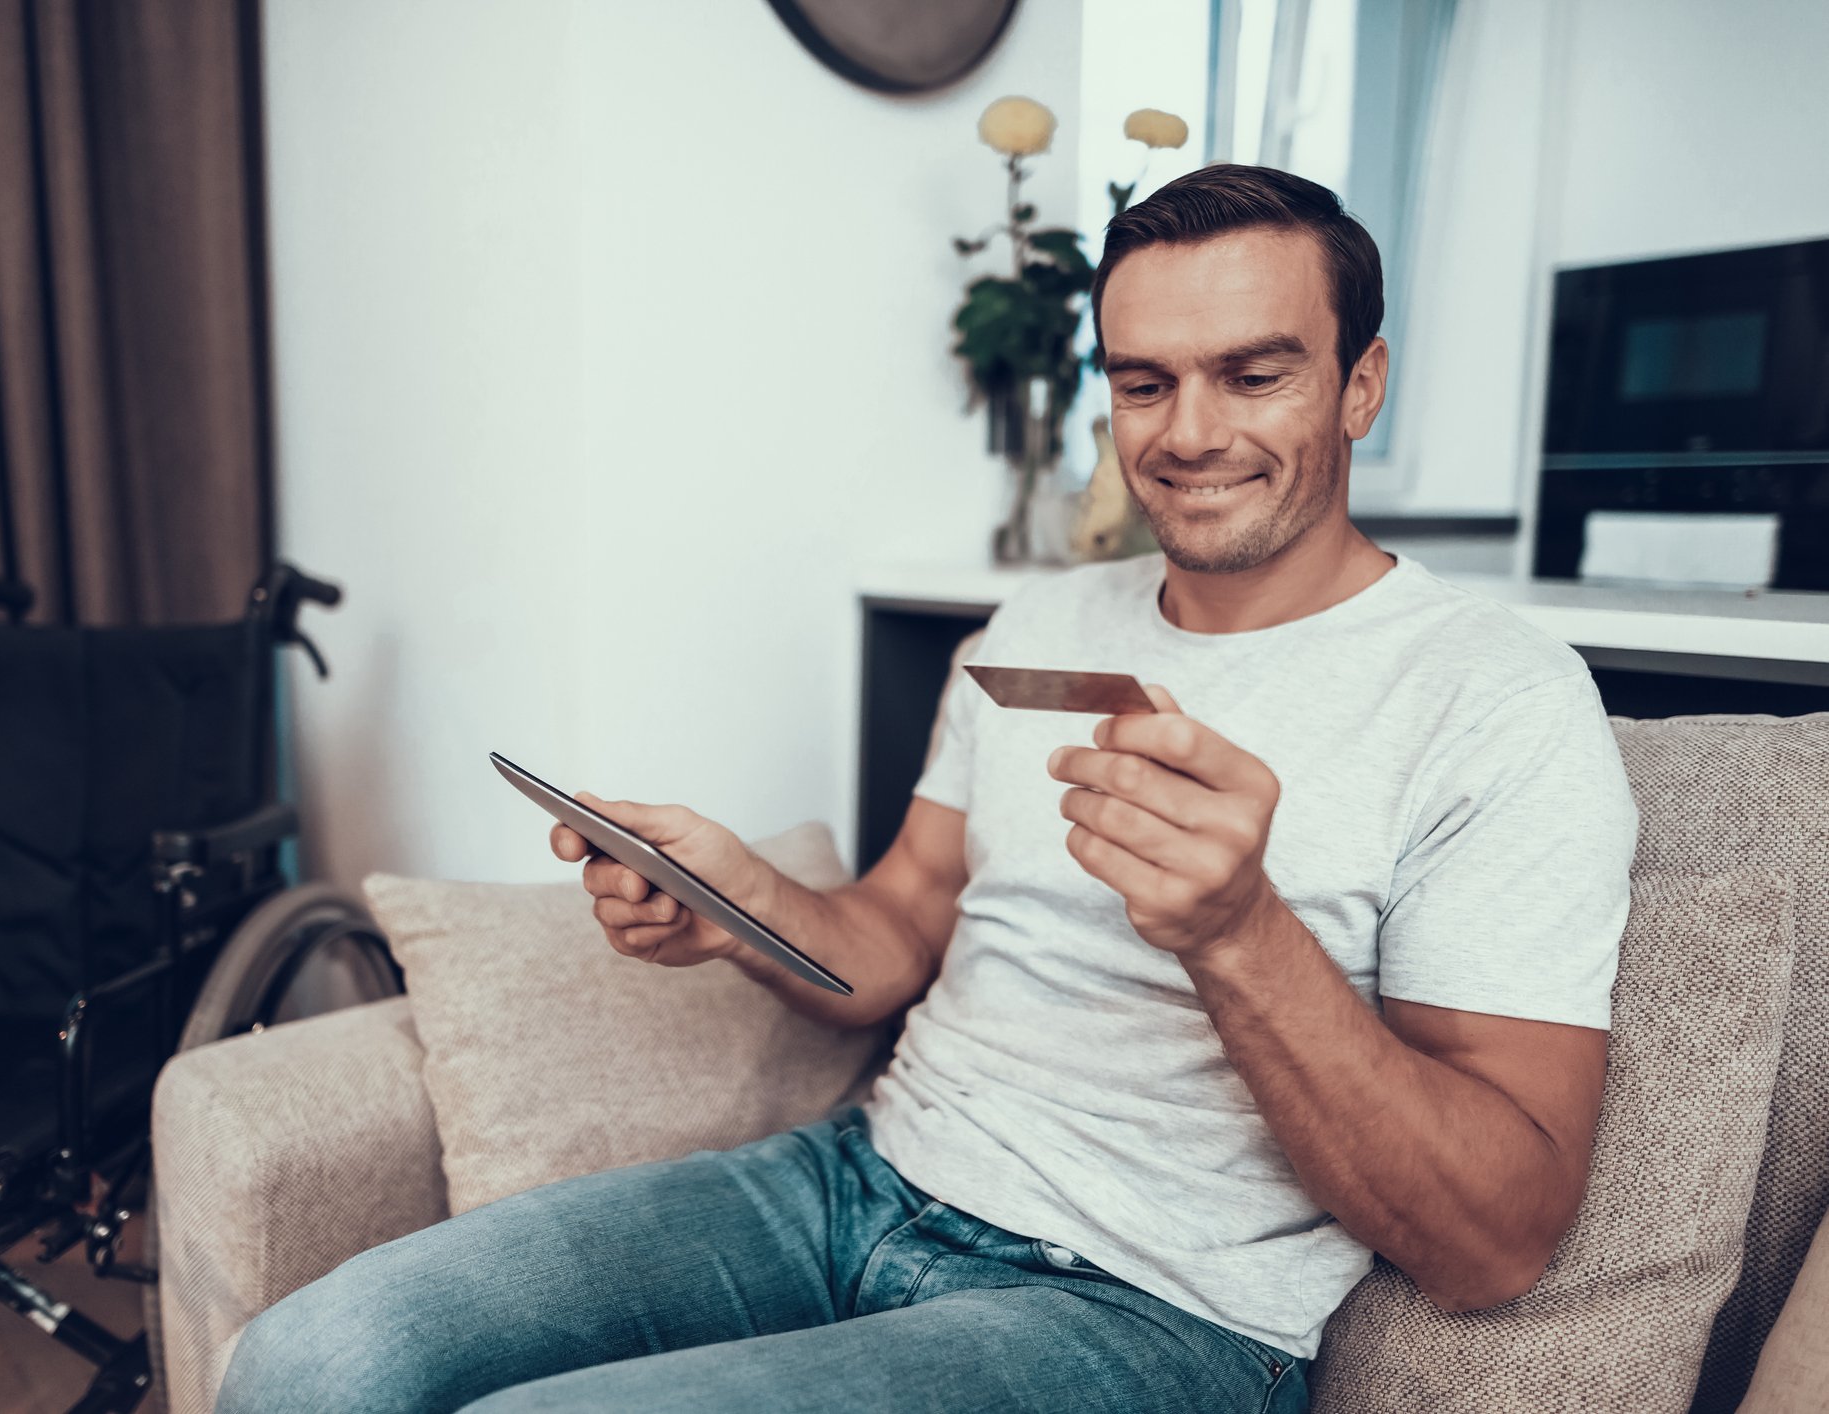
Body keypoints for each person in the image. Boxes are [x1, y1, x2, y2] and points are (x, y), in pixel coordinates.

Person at [215, 163, 1638, 1413]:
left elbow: (1497, 1234)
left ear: (1361, 384)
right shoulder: (1040, 630)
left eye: (1253, 373)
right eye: (1143, 382)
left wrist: (1237, 933)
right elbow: (901, 924)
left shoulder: (1492, 695)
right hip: (862, 1183)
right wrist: (741, 901)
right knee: (311, 1362)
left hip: (1147, 1313)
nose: (1188, 431)